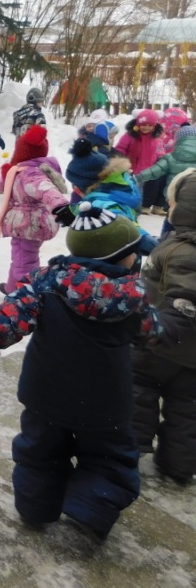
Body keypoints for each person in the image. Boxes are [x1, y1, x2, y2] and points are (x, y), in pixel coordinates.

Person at [0, 203, 161, 542]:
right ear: (124, 258)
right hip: (106, 404)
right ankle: (91, 505)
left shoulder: (45, 282)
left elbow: (8, 318)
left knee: (39, 452)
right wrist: (172, 327)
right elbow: (153, 333)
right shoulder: (133, 297)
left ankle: (35, 505)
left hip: (46, 395)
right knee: (110, 457)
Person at [132, 168, 196, 484]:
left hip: (159, 342)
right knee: (185, 410)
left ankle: (129, 450)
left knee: (139, 393)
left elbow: (185, 299)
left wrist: (152, 327)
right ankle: (179, 465)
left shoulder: (179, 250)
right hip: (192, 359)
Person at [0, 124, 68, 294]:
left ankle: (25, 296)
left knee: (24, 263)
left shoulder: (31, 174)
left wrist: (61, 206)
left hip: (29, 224)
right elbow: (1, 183)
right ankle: (12, 288)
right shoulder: (21, 171)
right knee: (20, 258)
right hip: (28, 224)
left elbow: (46, 189)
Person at [115, 109, 165, 213]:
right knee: (134, 189)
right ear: (138, 124)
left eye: (150, 125)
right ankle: (133, 208)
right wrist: (121, 160)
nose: (146, 128)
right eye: (144, 124)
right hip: (132, 169)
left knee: (146, 190)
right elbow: (121, 148)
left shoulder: (155, 137)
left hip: (148, 169)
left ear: (155, 126)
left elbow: (157, 151)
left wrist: (159, 159)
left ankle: (141, 206)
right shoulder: (130, 136)